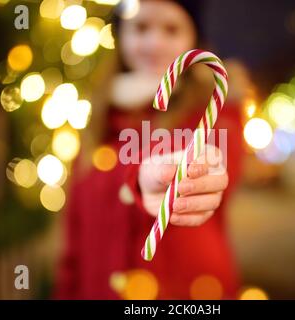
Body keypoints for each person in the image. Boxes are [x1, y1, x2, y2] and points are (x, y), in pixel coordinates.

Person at [55, 0, 247, 299]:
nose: (154, 42)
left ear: (193, 39)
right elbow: (74, 238)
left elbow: (209, 158)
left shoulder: (213, 108)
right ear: (121, 36)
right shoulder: (97, 118)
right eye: (140, 28)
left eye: (171, 29)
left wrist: (156, 177)